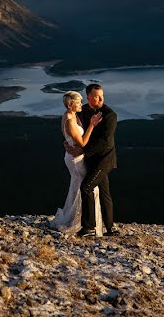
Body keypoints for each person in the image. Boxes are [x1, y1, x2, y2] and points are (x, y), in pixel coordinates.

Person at [66, 83, 119, 238]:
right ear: (88, 96)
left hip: (104, 160)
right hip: (90, 160)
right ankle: (109, 228)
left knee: (86, 187)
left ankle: (88, 227)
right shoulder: (82, 111)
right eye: (96, 96)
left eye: (102, 95)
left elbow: (105, 141)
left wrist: (82, 150)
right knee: (104, 192)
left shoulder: (110, 115)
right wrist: (67, 141)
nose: (101, 98)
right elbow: (73, 128)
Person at [49, 90, 104, 235]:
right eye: (78, 102)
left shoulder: (71, 115)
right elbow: (83, 142)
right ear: (71, 104)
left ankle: (77, 219)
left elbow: (69, 138)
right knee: (90, 187)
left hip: (72, 155)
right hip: (75, 159)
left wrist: (67, 142)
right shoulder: (69, 120)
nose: (81, 104)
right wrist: (92, 125)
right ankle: (82, 222)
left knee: (77, 186)